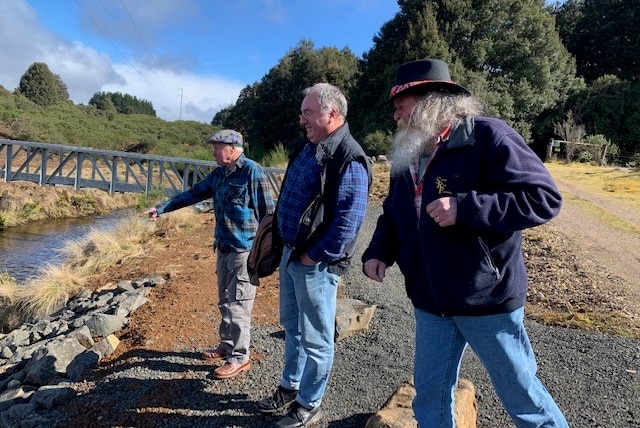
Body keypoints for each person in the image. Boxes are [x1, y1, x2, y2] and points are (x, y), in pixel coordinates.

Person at [361, 58, 569, 427]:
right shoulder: (407, 153)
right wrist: (378, 251)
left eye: (401, 106)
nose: (395, 116)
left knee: (522, 396)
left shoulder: (489, 136)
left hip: (485, 297)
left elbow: (544, 198)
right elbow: (393, 214)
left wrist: (467, 207)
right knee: (430, 396)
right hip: (430, 300)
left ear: (430, 102)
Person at [257, 83, 371, 427]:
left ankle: (310, 404)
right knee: (292, 326)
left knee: (318, 338)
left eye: (307, 112)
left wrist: (310, 258)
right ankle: (290, 388)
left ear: (331, 114)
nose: (301, 119)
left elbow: (347, 224)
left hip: (315, 264)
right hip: (292, 255)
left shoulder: (348, 157)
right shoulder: (311, 145)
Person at [143, 129, 275, 380]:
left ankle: (240, 357)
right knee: (225, 300)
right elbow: (192, 195)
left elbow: (268, 216)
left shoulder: (252, 172)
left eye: (217, 147)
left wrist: (265, 254)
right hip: (223, 248)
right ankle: (226, 345)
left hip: (244, 250)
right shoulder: (219, 174)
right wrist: (161, 209)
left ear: (232, 148)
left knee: (239, 304)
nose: (213, 152)